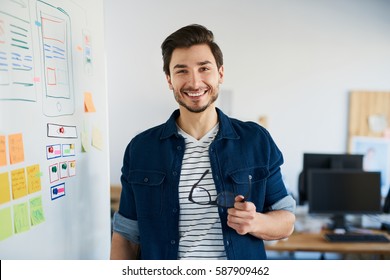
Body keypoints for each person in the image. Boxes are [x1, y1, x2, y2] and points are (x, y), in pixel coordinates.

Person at [110, 24, 296, 260]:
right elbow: (126, 236)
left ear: (220, 73)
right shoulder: (141, 149)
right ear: (169, 80)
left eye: (204, 68)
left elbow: (286, 220)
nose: (195, 82)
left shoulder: (256, 140)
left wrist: (256, 221)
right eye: (182, 71)